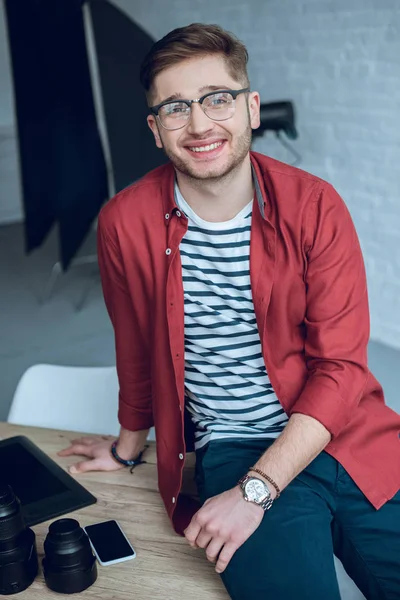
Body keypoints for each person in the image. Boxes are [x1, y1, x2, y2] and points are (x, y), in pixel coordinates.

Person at [58, 23, 400, 600]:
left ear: (251, 108)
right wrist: (126, 444)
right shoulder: (124, 222)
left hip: (344, 431)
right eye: (175, 108)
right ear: (155, 129)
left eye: (218, 99)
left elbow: (342, 370)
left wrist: (255, 494)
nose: (199, 124)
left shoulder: (315, 206)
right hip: (236, 445)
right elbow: (136, 347)